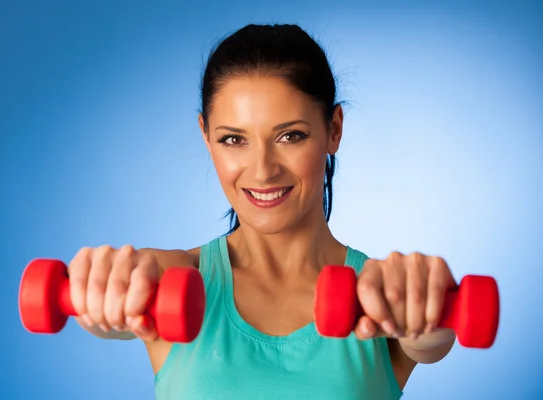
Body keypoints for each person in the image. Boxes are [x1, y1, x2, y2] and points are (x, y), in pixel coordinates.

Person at [67, 23, 458, 399]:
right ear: (206, 136)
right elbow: (125, 303)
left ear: (334, 130)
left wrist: (428, 316)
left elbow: (428, 341)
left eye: (290, 136)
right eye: (233, 139)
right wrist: (104, 297)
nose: (262, 170)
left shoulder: (382, 295)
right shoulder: (175, 280)